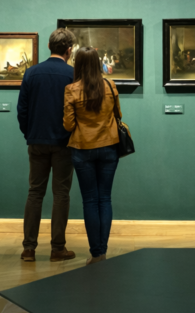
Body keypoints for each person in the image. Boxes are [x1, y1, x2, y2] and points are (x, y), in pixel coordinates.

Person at [17, 28, 78, 263]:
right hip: (64, 143)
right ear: (69, 50)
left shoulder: (31, 73)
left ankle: (29, 249)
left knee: (35, 193)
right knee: (61, 194)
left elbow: (22, 110)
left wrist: (30, 133)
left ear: (49, 47)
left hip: (37, 141)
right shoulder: (72, 74)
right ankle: (57, 248)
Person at [63, 47, 123, 265]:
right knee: (105, 198)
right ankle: (103, 252)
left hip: (82, 148)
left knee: (90, 200)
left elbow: (69, 125)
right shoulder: (110, 85)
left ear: (77, 64)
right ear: (98, 63)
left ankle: (95, 253)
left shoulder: (71, 89)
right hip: (109, 147)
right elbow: (119, 115)